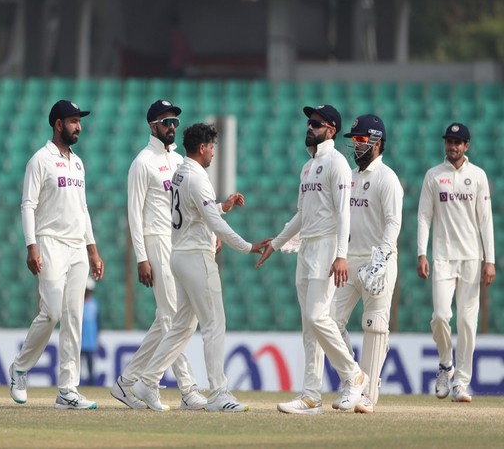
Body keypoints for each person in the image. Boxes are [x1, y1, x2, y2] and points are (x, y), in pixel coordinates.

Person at [131, 123, 268, 412]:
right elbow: (212, 223)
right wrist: (247, 246)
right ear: (203, 147)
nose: (214, 153)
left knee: (182, 325)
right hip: (195, 257)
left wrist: (223, 206)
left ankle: (147, 381)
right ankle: (219, 392)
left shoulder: (179, 172)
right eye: (212, 147)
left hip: (179, 254)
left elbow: (197, 213)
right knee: (214, 323)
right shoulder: (197, 177)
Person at [256, 104, 369, 415]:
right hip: (306, 249)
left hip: (327, 248)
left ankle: (353, 374)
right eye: (308, 122)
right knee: (310, 325)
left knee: (319, 317)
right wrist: (276, 244)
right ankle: (310, 396)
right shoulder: (307, 167)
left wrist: (341, 255)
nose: (310, 127)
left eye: (316, 123)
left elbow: (344, 212)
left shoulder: (338, 164)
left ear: (331, 130)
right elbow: (301, 215)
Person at [110, 99, 207, 411]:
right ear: (153, 125)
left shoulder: (178, 160)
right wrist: (142, 257)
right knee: (172, 316)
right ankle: (188, 390)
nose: (173, 127)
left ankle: (126, 383)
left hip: (178, 241)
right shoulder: (142, 162)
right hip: (155, 240)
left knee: (165, 318)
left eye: (176, 122)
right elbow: (133, 214)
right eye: (167, 122)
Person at [8, 100, 104, 410]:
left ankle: (67, 390)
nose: (79, 126)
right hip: (49, 242)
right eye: (73, 120)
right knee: (51, 312)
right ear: (58, 124)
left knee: (74, 317)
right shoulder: (40, 159)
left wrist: (93, 249)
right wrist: (31, 246)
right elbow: (28, 205)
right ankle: (20, 368)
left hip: (77, 245)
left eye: (79, 120)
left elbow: (83, 208)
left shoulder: (78, 163)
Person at [417, 122, 495, 403]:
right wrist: (421, 253)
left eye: (457, 142)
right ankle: (444, 364)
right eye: (449, 142)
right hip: (442, 258)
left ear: (467, 146)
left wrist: (490, 260)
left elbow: (486, 220)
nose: (452, 147)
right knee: (440, 316)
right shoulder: (433, 176)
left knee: (467, 322)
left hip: (472, 259)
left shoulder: (478, 176)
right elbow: (424, 216)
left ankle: (461, 383)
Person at [330, 114, 403, 414]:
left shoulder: (387, 179)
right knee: (328, 320)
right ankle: (353, 378)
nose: (356, 145)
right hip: (349, 260)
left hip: (378, 261)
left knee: (374, 324)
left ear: (378, 142)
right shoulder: (347, 176)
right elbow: (336, 218)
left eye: (362, 140)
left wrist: (382, 258)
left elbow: (393, 222)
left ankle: (368, 396)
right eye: (354, 140)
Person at [81, 277, 99, 386]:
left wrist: (97, 338)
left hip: (91, 341)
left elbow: (98, 323)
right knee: (76, 366)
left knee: (91, 367)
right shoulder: (78, 304)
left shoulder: (94, 304)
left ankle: (91, 385)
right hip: (79, 340)